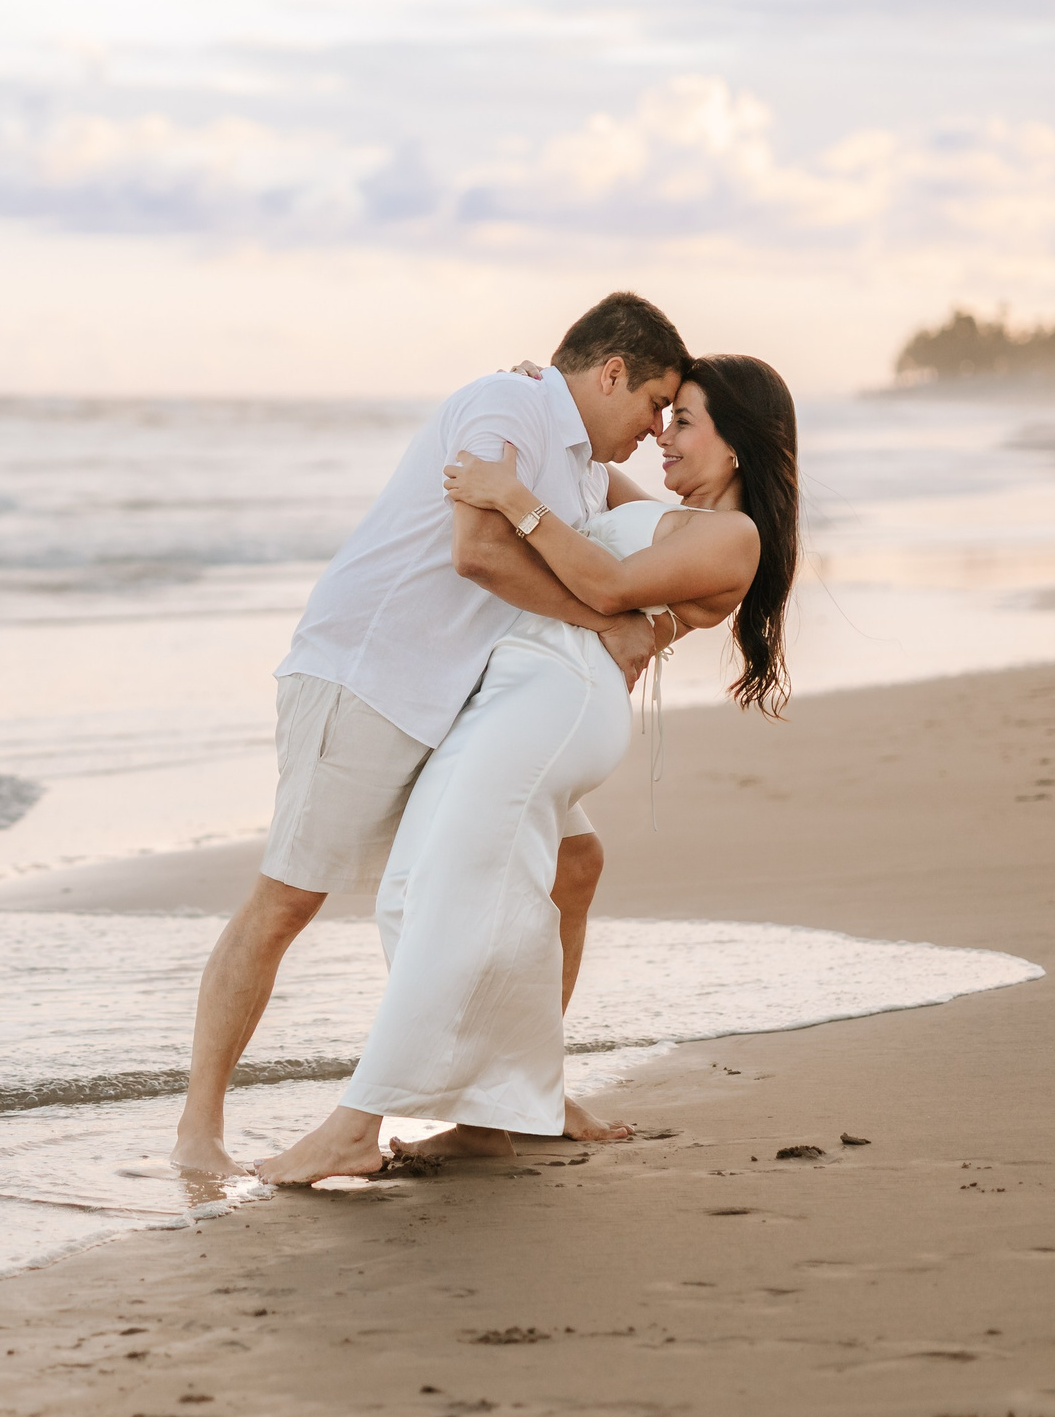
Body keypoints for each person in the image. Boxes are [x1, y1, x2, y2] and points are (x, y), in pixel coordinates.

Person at [172, 293, 690, 1178]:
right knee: (285, 902)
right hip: (366, 680)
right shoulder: (509, 403)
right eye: (654, 403)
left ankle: (516, 1094)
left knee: (574, 863)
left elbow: (677, 534)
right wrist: (606, 623)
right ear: (612, 373)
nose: (655, 428)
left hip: (458, 703)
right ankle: (198, 1130)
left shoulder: (579, 464)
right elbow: (477, 551)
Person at [254, 353, 801, 1183]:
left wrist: (511, 498)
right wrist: (551, 390)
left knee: (455, 895)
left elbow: (609, 584)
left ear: (736, 445)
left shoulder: (737, 537)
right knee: (410, 891)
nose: (663, 434)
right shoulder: (664, 514)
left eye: (684, 419)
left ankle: (355, 1125)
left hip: (557, 702)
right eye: (662, 413)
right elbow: (587, 463)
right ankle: (491, 1115)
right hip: (513, 693)